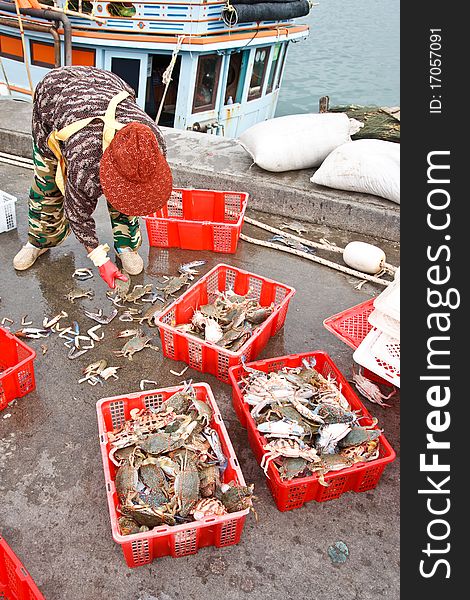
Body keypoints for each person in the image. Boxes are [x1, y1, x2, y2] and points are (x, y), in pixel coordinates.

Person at [13, 66, 173, 288]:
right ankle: (39, 241)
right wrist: (100, 259)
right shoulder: (85, 161)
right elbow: (77, 213)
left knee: (132, 191)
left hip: (107, 87)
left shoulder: (151, 139)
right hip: (54, 96)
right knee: (47, 183)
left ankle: (126, 245)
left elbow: (138, 184)